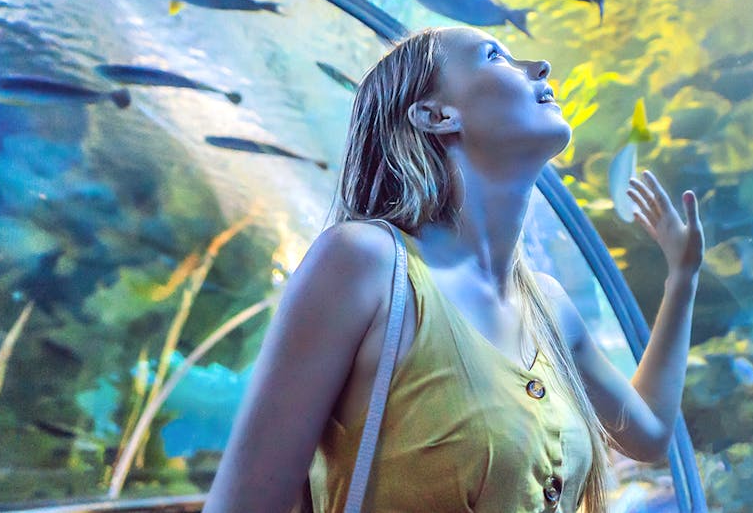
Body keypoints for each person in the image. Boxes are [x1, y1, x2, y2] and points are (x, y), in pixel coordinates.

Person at [204, 26, 703, 513]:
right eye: (494, 56)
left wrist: (682, 279)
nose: (540, 67)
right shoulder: (365, 263)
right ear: (436, 115)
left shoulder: (549, 307)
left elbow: (650, 435)